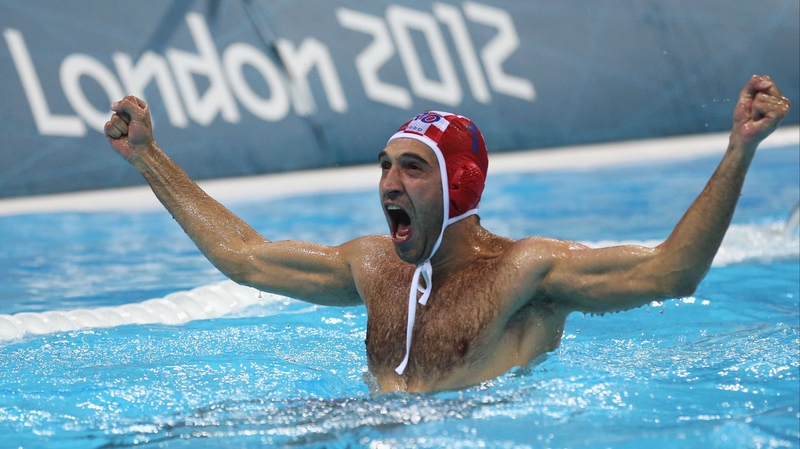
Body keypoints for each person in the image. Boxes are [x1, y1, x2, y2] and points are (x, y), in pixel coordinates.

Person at [104, 75, 790, 393]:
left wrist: (739, 151)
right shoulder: (372, 265)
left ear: (459, 186)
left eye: (411, 168)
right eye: (385, 168)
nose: (388, 185)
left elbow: (675, 272)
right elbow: (245, 257)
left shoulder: (529, 273)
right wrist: (148, 158)